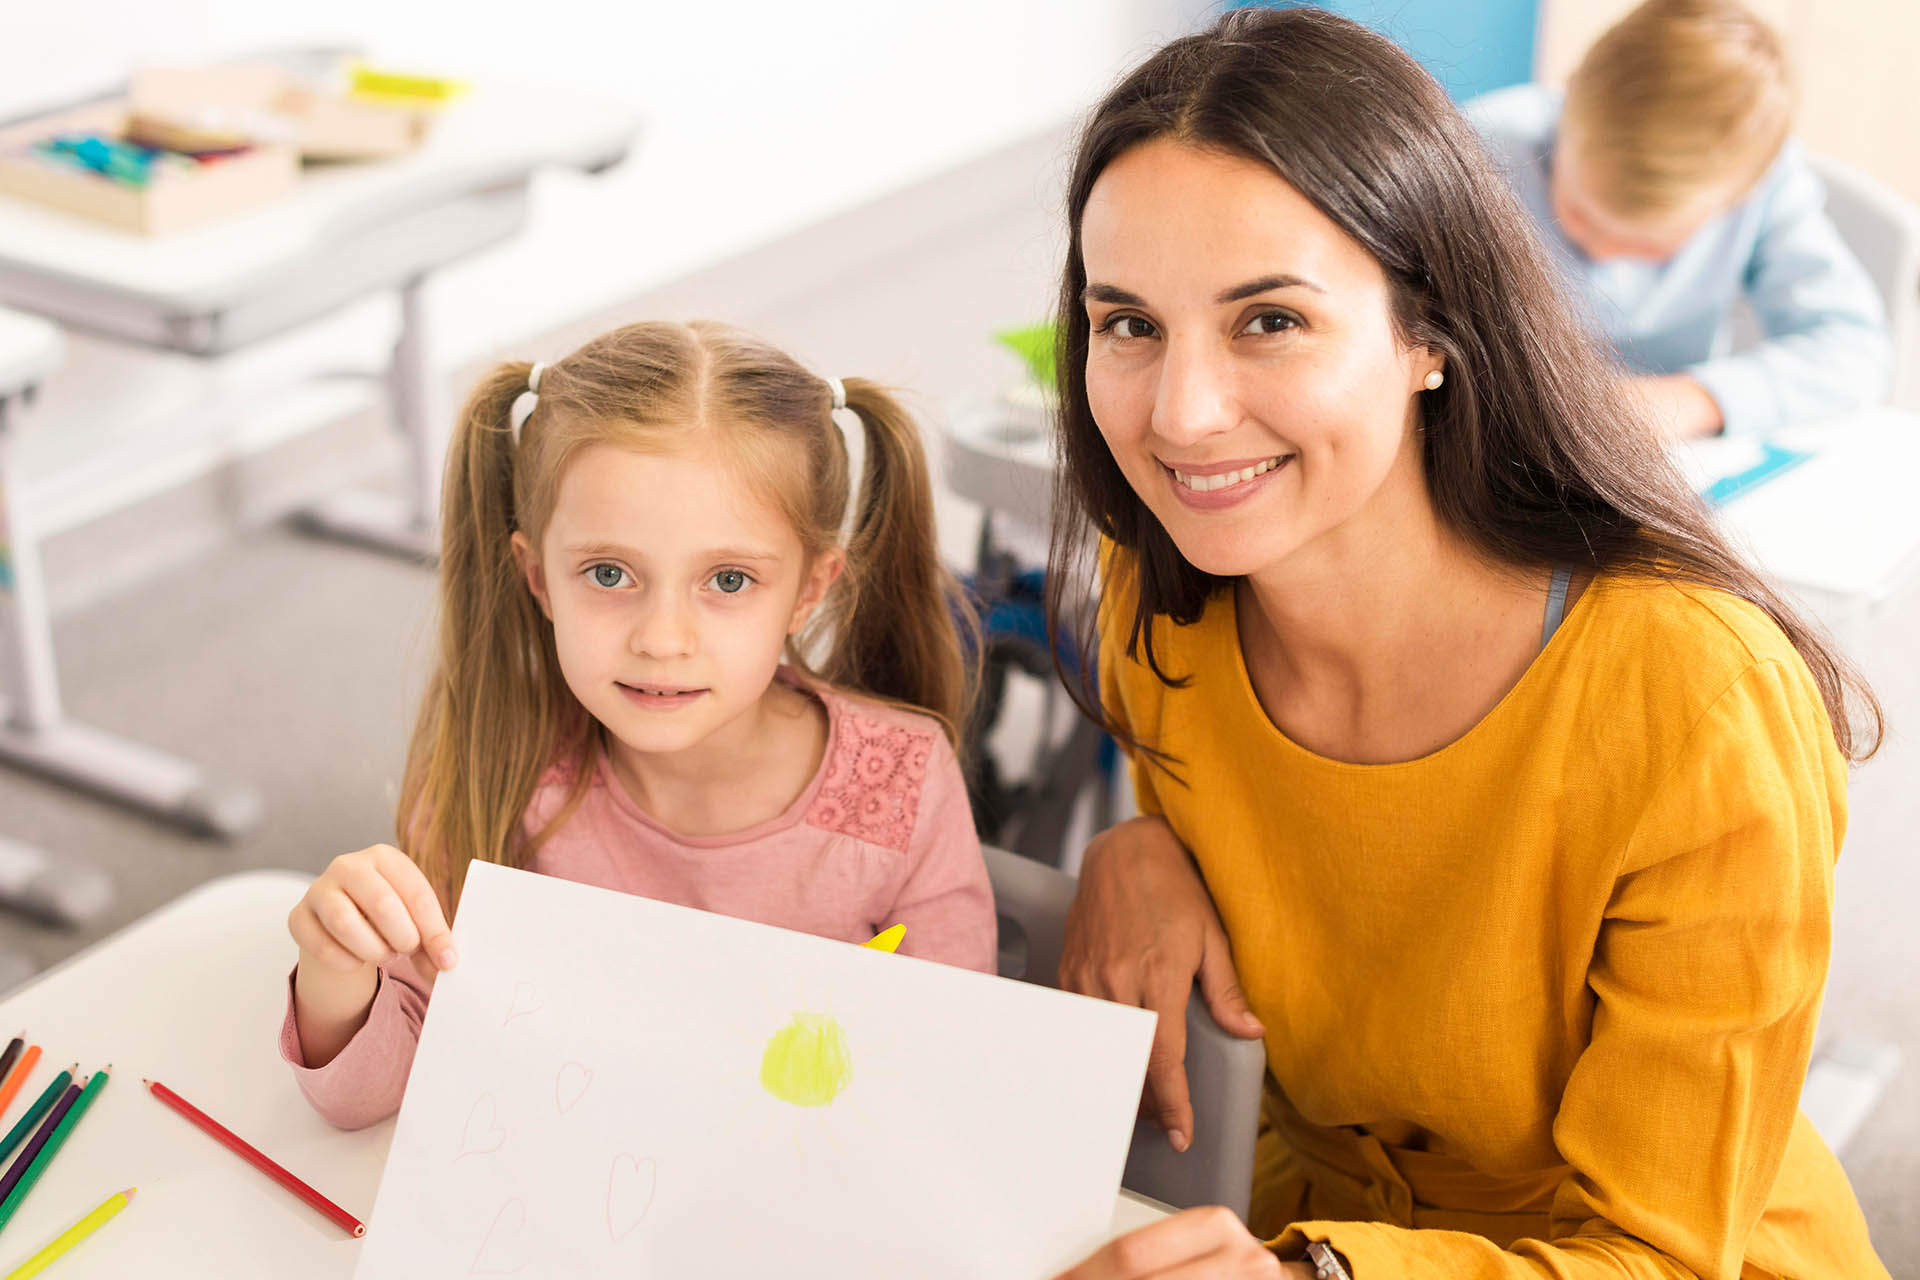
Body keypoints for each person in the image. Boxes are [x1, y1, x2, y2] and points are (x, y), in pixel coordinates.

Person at [1045, 8, 1888, 1277]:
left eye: (1268, 319)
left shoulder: (1697, 698)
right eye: (1129, 322)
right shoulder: (1156, 590)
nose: (1182, 413)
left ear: (1430, 330)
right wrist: (1139, 842)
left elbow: (1658, 1250)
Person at [280, 321, 995, 1129]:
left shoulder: (900, 776)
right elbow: (372, 1100)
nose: (661, 638)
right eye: (609, 573)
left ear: (809, 589)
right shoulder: (498, 766)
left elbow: (951, 1078)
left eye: (728, 579)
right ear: (536, 576)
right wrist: (335, 973)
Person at [1466, 0, 1892, 441]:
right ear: (1568, 98)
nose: (1602, 252)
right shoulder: (1475, 152)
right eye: (1578, 215)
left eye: (1650, 248)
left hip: (1662, 456)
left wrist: (1691, 401)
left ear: (1738, 199)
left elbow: (1853, 350)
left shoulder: (1768, 187)